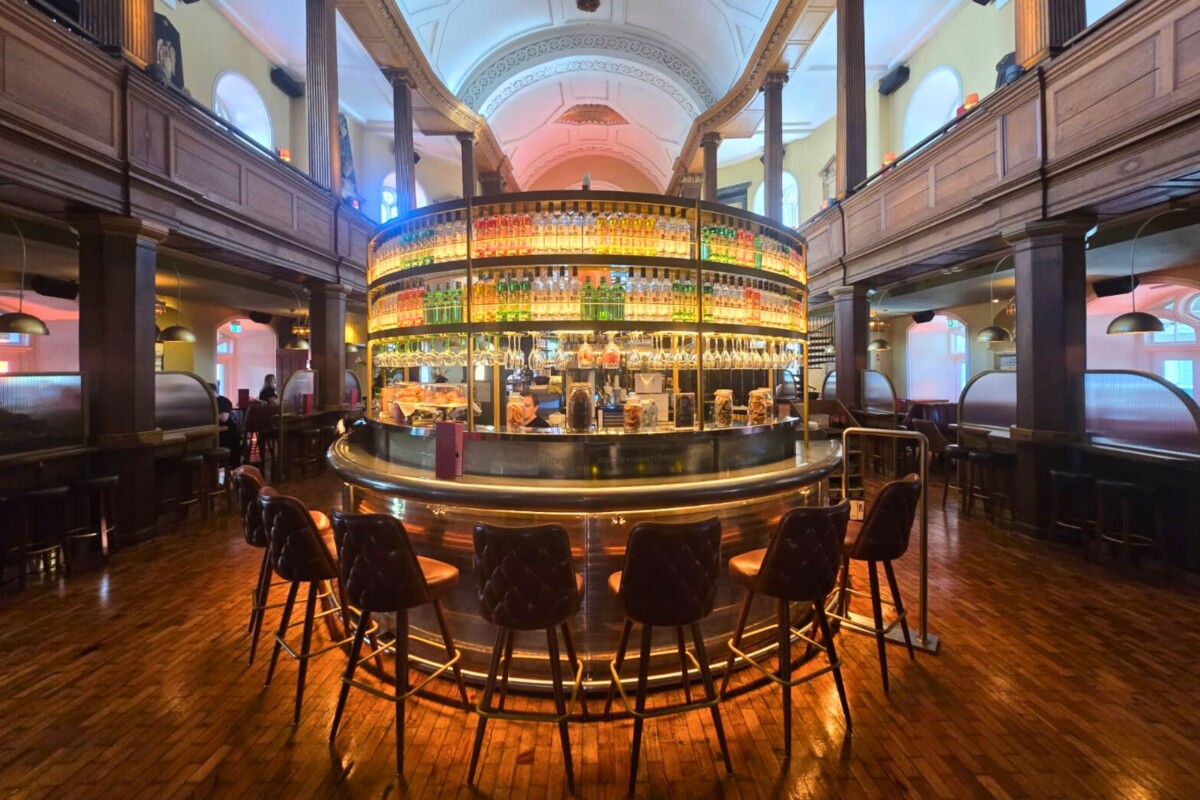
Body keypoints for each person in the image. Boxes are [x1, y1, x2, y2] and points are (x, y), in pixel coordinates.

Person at [209, 383, 242, 468]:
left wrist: (207, 414)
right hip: (222, 432)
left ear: (212, 391)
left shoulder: (222, 401)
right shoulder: (213, 402)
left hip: (228, 433)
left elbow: (224, 418)